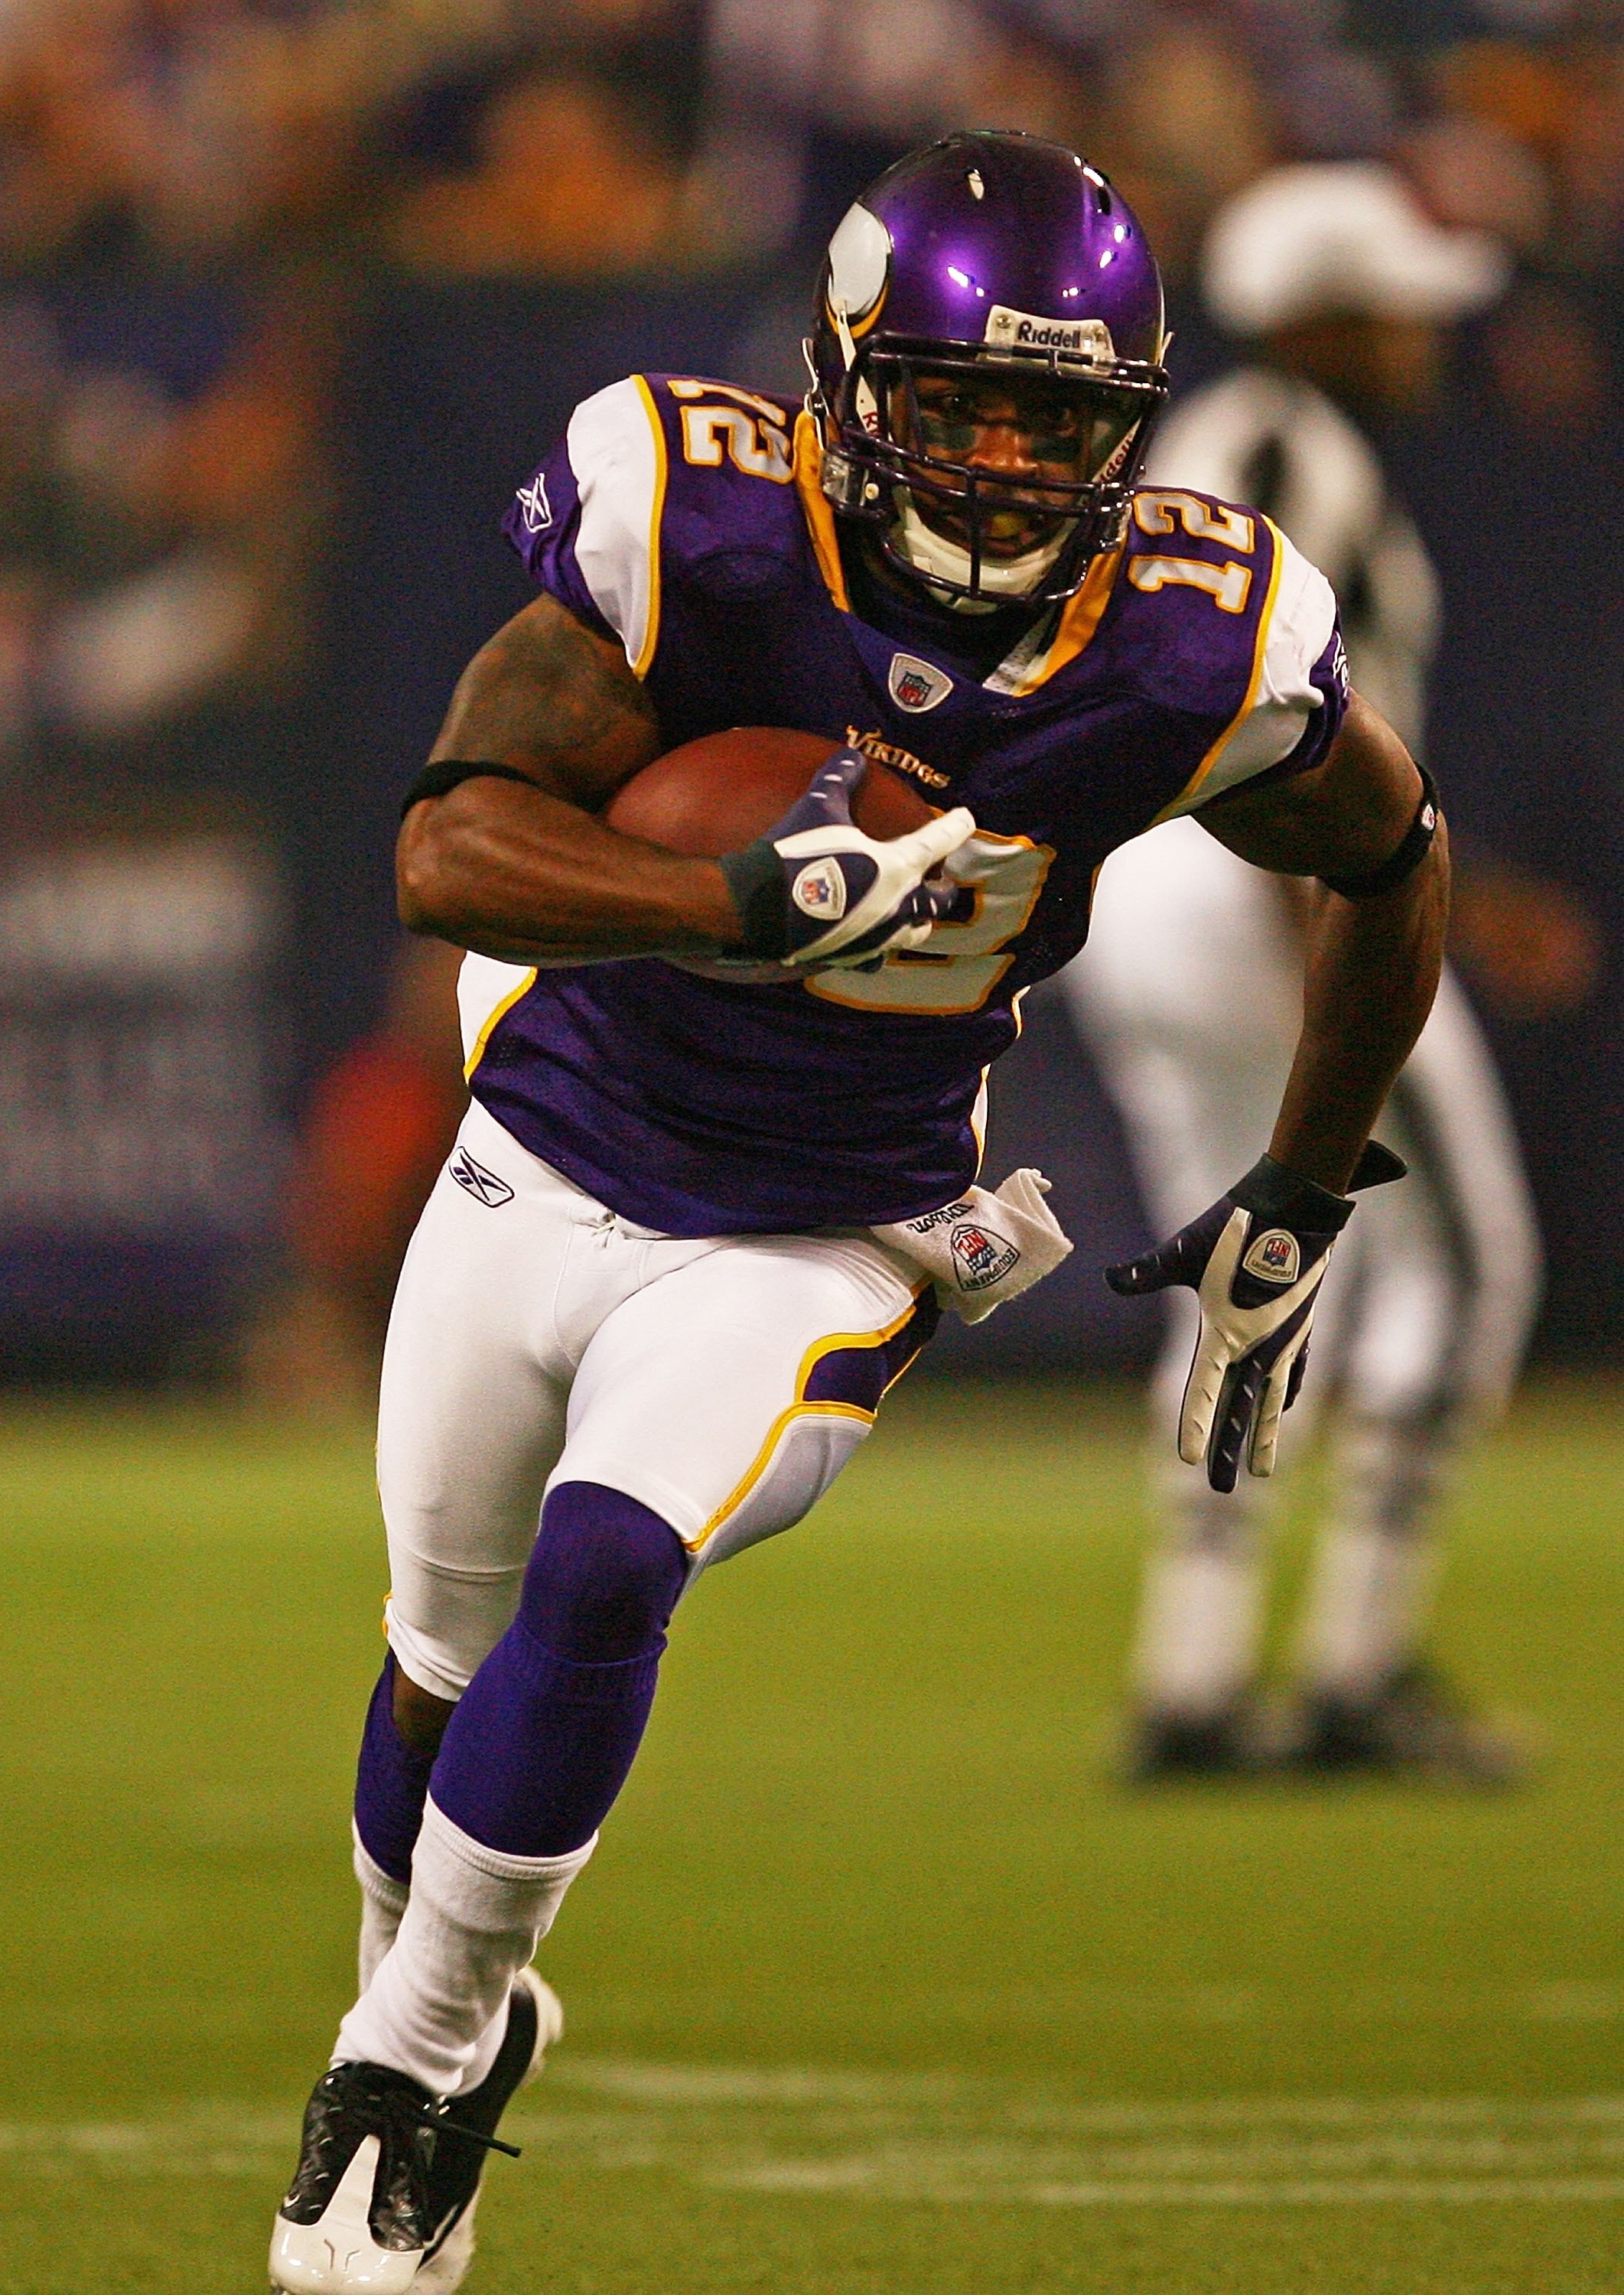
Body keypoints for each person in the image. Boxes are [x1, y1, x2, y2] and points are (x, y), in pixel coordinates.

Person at [268, 132, 1450, 2293]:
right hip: (548, 1141)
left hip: (839, 1220)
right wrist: (729, 894)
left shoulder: (1196, 638)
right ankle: (445, 2001)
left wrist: (1301, 1178)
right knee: (441, 1654)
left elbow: (1395, 858)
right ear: (842, 369)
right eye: (960, 404)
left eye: (1059, 424)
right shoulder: (698, 520)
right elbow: (450, 848)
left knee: (613, 1559)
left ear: (1133, 422)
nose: (1004, 470)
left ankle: (401, 2077)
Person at [1065, 161, 1541, 1782]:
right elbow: (1262, 724)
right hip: (1263, 889)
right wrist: (1351, 948)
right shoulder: (1284, 448)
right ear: (1326, 317)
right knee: (1461, 1270)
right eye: (1395, 307)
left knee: (1245, 1268)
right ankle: (1358, 1664)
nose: (1423, 338)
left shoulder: (1211, 444)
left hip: (1151, 890)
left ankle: (1194, 1676)